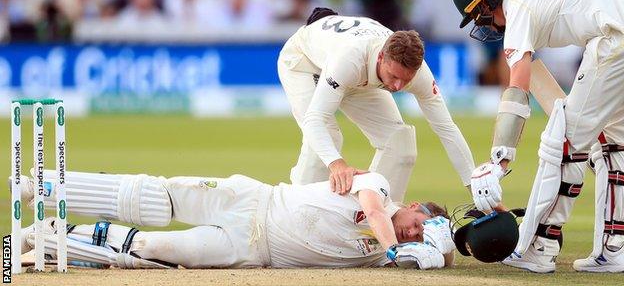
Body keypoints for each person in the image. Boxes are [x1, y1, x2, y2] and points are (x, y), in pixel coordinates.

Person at [452, 0, 624, 273]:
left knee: (563, 143)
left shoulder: (517, 7)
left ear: (486, 3)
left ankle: (539, 247)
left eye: (479, 16)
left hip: (616, 37)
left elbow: (518, 87)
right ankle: (613, 250)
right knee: (615, 144)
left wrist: (498, 161)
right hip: (613, 29)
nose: (485, 25)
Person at [16, 169, 454, 269]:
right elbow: (376, 213)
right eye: (418, 222)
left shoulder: (385, 258)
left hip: (252, 250)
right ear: (413, 205)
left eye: (418, 233)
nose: (412, 230)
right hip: (248, 200)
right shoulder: (378, 186)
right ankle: (46, 186)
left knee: (153, 251)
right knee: (155, 198)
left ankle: (47, 239)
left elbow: (446, 260)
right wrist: (401, 248)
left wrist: (440, 247)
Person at [278, 8, 474, 203]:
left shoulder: (418, 72)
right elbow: (315, 120)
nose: (398, 86)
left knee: (399, 143)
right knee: (327, 139)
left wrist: (475, 186)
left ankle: (378, 219)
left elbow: (446, 128)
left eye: (406, 79)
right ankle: (296, 215)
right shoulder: (350, 58)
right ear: (381, 57)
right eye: (394, 76)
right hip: (305, 62)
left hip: (357, 74)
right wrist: (337, 164)